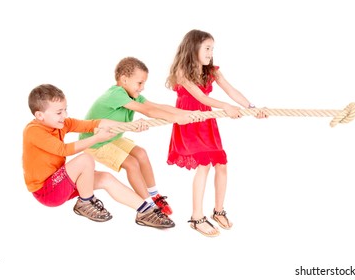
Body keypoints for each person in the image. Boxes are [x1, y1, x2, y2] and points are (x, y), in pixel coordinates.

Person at [22, 84, 175, 228]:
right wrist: (96, 139)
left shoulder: (61, 124)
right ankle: (86, 201)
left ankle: (145, 212)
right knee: (85, 159)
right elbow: (63, 150)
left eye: (65, 110)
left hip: (60, 182)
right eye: (59, 112)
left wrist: (132, 126)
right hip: (47, 191)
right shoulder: (33, 131)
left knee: (106, 178)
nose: (65, 115)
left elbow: (93, 123)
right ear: (40, 115)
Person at [166, 29, 267, 237]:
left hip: (207, 123)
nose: (211, 53)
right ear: (193, 47)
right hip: (190, 122)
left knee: (221, 164)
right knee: (203, 164)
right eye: (207, 48)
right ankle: (196, 217)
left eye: (213, 48)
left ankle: (218, 210)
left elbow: (231, 90)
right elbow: (201, 98)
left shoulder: (212, 71)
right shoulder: (182, 73)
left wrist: (251, 107)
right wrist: (225, 107)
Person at [80, 57, 203, 216]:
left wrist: (188, 113)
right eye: (139, 83)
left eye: (144, 83)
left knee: (141, 153)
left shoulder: (132, 95)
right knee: (131, 164)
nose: (142, 87)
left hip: (112, 138)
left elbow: (155, 106)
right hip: (94, 143)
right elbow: (148, 112)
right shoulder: (116, 94)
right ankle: (148, 206)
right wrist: (177, 119)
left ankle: (154, 195)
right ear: (124, 80)